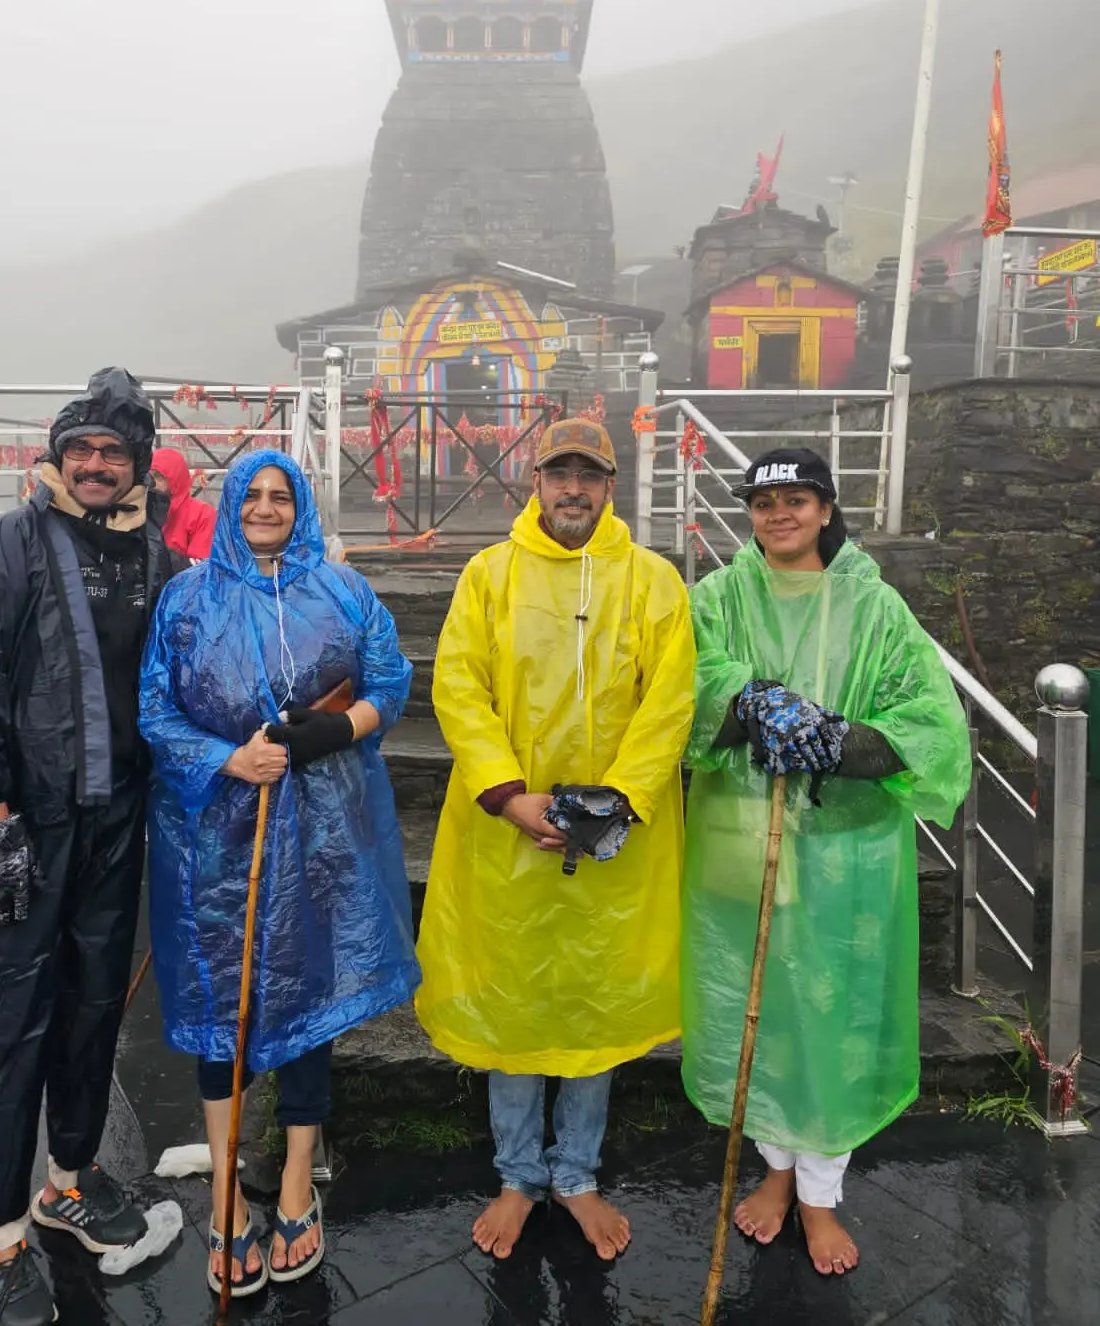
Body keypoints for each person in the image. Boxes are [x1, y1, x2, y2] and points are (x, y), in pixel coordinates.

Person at [681, 447, 972, 1276]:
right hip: (744, 826)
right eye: (764, 500)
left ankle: (821, 1193)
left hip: (847, 845)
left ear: (826, 507)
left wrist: (842, 740)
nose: (779, 514)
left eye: (796, 499)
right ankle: (775, 1172)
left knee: (834, 1010)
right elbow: (685, 675)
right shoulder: (718, 598)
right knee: (759, 998)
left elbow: (929, 720)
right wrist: (747, 696)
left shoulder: (875, 607)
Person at [139, 449, 419, 1298]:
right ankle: (227, 1186)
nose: (265, 508)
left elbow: (392, 680)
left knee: (308, 995)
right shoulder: (184, 598)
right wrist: (228, 759)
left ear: (299, 508)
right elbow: (155, 707)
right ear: (230, 505)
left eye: (280, 497)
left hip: (325, 834)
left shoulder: (344, 591)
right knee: (218, 1006)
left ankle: (297, 1174)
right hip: (213, 840)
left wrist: (335, 733)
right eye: (252, 496)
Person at [415, 418, 695, 1261]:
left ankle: (575, 1173)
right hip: (507, 832)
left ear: (611, 486)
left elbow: (670, 700)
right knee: (513, 1000)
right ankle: (516, 1173)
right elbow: (459, 686)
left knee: (592, 1000)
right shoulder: (488, 576)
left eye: (590, 474)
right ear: (534, 482)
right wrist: (507, 795)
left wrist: (620, 801)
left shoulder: (653, 582)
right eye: (558, 473)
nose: (573, 488)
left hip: (616, 838)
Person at [0, 367, 175, 1326]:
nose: (94, 465)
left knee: (90, 1006)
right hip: (28, 823)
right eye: (80, 449)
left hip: (117, 820)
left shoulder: (154, 559)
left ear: (138, 467)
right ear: (57, 457)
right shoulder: (8, 544)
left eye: (113, 452)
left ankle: (67, 1183)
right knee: (9, 1023)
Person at [150, 446, 217, 559]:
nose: (151, 482)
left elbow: (200, 568)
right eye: (148, 476)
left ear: (175, 480)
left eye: (158, 476)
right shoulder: (140, 511)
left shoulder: (202, 515)